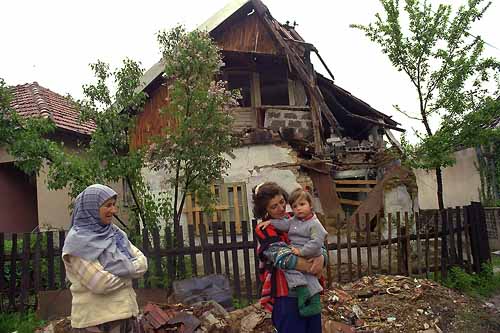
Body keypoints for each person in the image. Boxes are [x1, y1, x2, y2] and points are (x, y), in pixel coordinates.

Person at [62, 184, 148, 333]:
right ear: (92, 208)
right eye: (108, 205)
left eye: (114, 205)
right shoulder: (78, 243)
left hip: (127, 316)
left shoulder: (115, 233)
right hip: (95, 323)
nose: (113, 210)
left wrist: (121, 271)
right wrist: (130, 273)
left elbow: (143, 262)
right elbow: (100, 283)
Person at [253, 182, 324, 333]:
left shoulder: (297, 217)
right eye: (274, 206)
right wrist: (314, 265)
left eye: (282, 202)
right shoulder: (265, 229)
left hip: (311, 289)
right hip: (286, 294)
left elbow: (319, 242)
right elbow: (284, 259)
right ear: (264, 210)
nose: (281, 208)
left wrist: (322, 258)